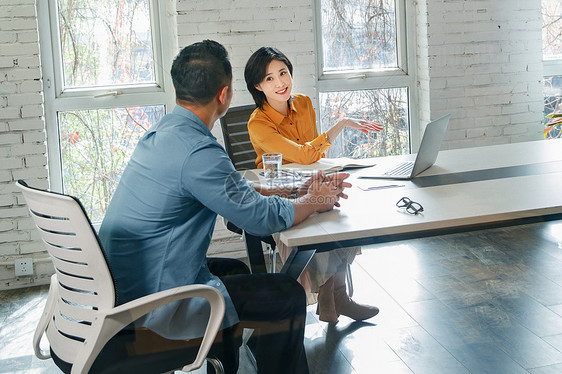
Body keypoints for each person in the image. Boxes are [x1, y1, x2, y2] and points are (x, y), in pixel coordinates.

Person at [99, 40, 350, 374]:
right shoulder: (198, 151)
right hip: (151, 308)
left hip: (123, 287)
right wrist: (316, 200)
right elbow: (262, 218)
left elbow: (230, 186)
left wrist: (295, 188)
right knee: (286, 295)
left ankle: (248, 359)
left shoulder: (164, 133)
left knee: (236, 271)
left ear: (178, 88)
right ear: (225, 95)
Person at [244, 46, 381, 324]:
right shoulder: (257, 124)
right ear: (258, 86)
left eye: (283, 73)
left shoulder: (304, 103)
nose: (280, 83)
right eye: (269, 78)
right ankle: (334, 298)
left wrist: (319, 175)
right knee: (322, 212)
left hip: (309, 183)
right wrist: (341, 123)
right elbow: (307, 154)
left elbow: (313, 157)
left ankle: (334, 298)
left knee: (341, 215)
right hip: (279, 193)